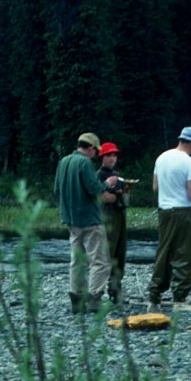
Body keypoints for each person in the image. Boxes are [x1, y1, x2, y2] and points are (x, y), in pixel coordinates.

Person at [149, 126, 191, 312]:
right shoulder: (189, 162)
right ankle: (180, 299)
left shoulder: (162, 157)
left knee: (164, 252)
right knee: (185, 254)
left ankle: (154, 297)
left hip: (164, 212)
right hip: (184, 213)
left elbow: (156, 186)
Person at [54, 132, 119, 314]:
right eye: (96, 151)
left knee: (77, 260)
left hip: (70, 219)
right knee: (100, 261)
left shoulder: (64, 161)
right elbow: (94, 188)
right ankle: (93, 299)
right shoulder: (84, 163)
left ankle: (76, 298)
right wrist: (107, 183)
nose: (96, 154)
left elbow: (56, 188)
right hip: (90, 219)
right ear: (90, 148)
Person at [96, 142, 129, 304]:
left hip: (120, 215)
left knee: (120, 253)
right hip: (107, 216)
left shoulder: (117, 174)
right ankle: (99, 291)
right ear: (102, 157)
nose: (112, 158)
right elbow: (104, 197)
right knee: (107, 253)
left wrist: (121, 193)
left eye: (115, 155)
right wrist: (118, 194)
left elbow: (122, 195)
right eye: (109, 155)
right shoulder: (99, 175)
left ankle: (116, 290)